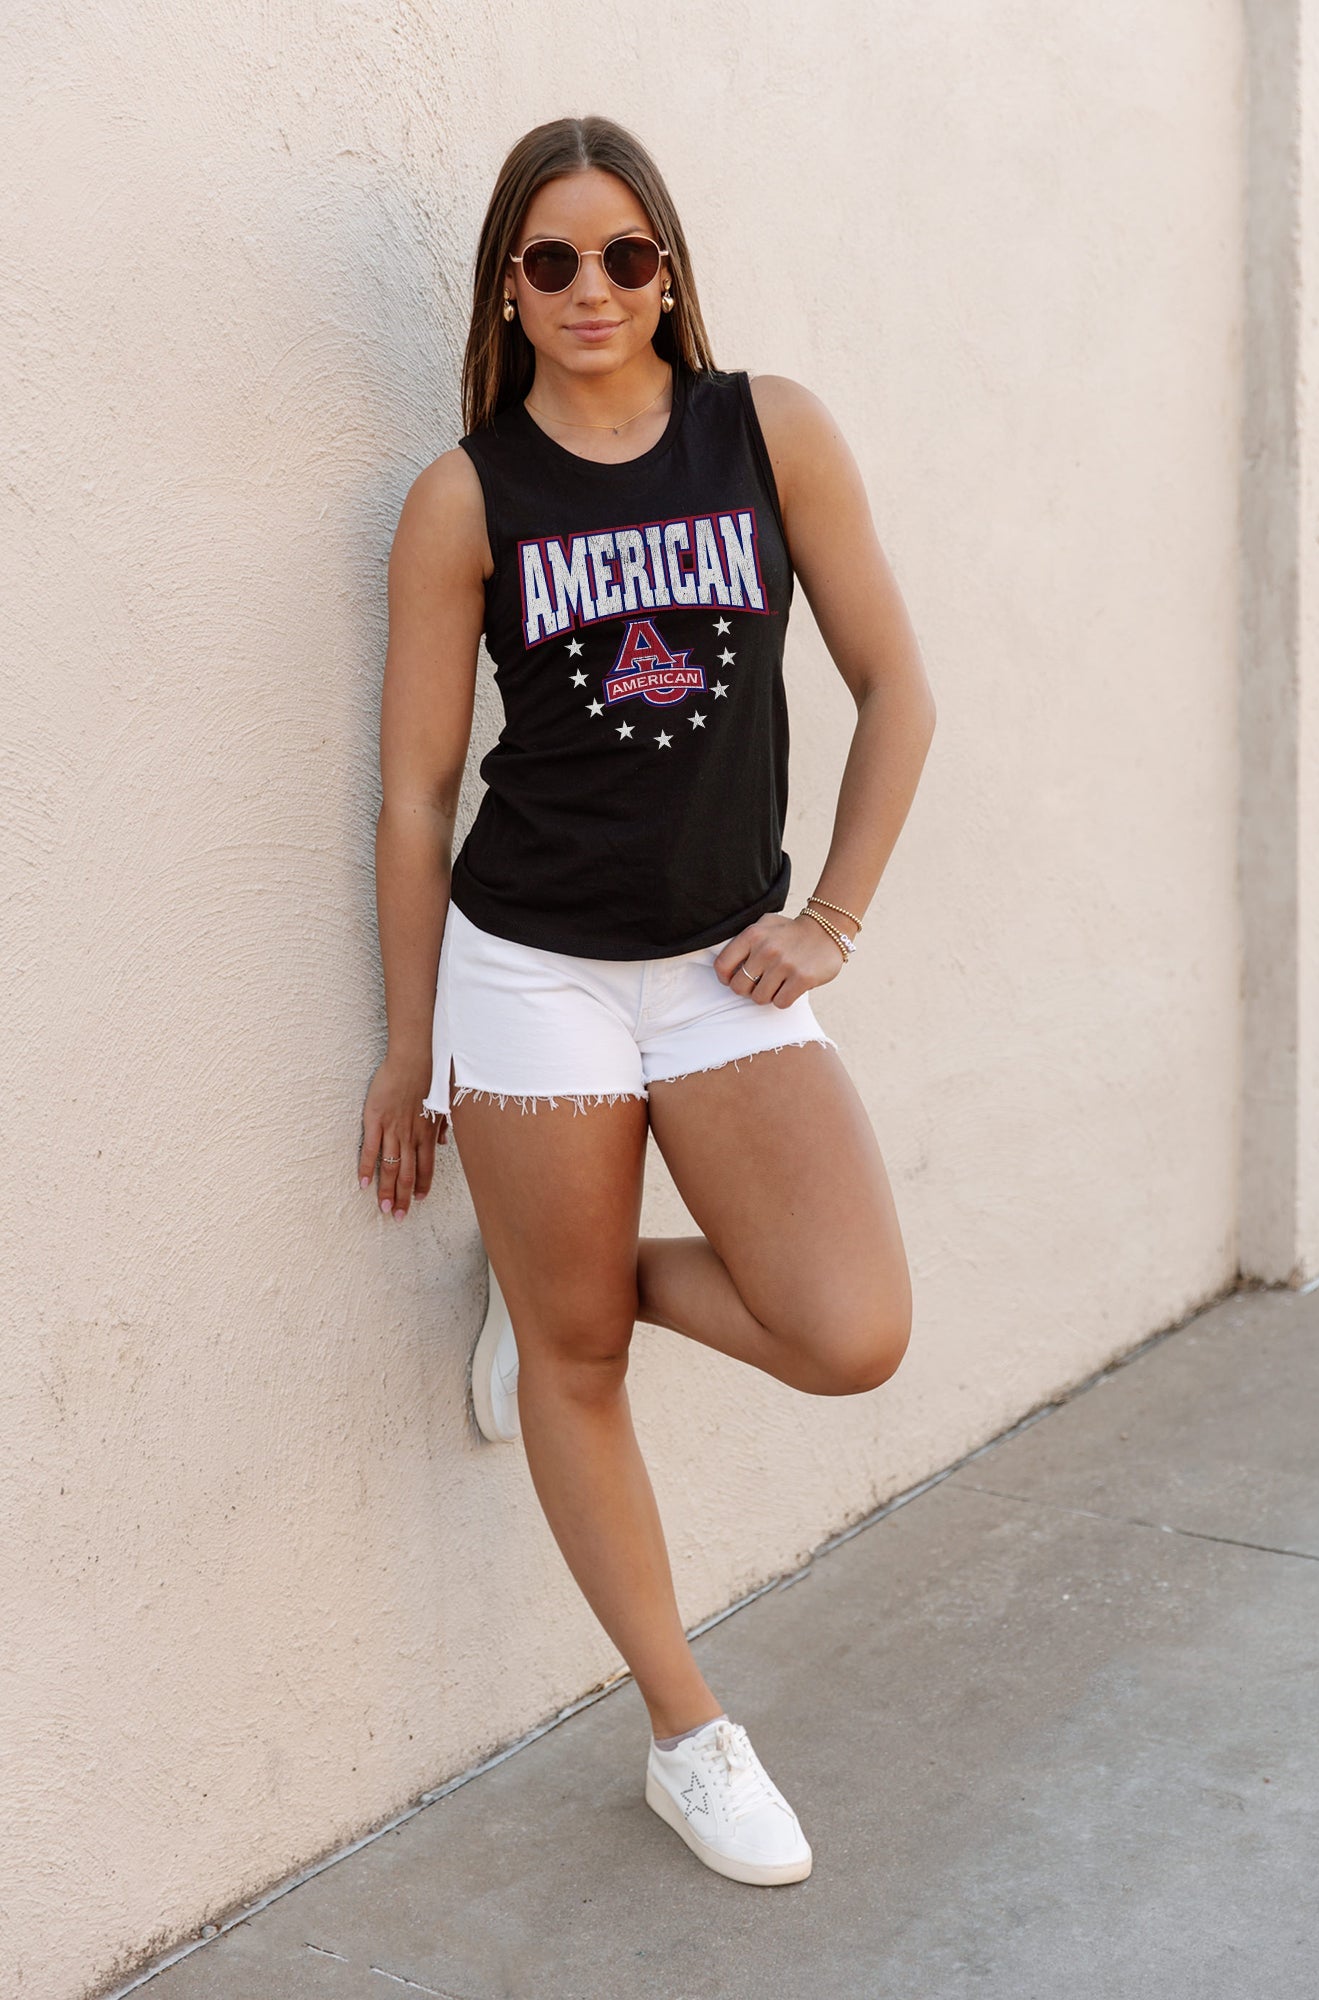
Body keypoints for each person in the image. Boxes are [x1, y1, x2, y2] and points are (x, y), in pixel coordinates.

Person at [359, 114, 936, 1888]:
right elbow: (415, 798)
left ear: (667, 271)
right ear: (507, 291)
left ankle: (556, 1279)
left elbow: (896, 687)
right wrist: (410, 1049)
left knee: (848, 1332)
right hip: (528, 966)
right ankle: (688, 1734)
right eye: (551, 260)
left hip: (720, 969)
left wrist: (831, 918)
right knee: (578, 1366)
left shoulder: (766, 433)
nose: (591, 287)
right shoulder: (467, 497)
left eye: (624, 254)